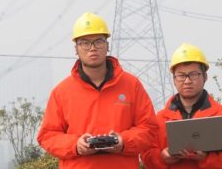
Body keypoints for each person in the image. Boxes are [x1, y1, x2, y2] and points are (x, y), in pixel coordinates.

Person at [37, 12, 159, 169]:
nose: (92, 48)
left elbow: (149, 128)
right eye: (85, 43)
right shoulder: (61, 92)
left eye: (98, 42)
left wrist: (123, 141)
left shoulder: (131, 84)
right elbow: (47, 136)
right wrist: (76, 145)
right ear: (76, 48)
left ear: (107, 45)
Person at [140, 43, 222, 169]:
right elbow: (145, 154)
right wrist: (163, 157)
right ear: (174, 79)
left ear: (205, 77)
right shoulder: (160, 118)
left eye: (193, 74)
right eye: (181, 75)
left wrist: (206, 158)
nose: (187, 81)